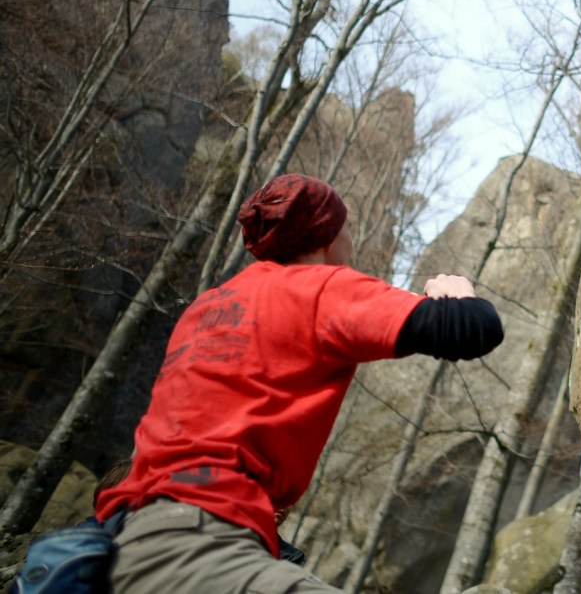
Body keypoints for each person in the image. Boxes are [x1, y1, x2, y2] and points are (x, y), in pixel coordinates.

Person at [95, 174, 504, 593]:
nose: (350, 242)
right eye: (347, 229)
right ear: (328, 236)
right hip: (203, 543)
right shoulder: (319, 288)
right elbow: (472, 329)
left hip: (125, 538)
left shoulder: (206, 308)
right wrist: (455, 291)